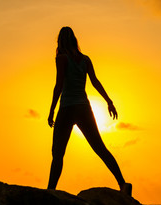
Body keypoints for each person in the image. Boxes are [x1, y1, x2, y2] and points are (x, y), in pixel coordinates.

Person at [47, 26, 132, 196]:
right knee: (100, 148)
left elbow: (59, 85)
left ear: (60, 41)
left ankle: (50, 192)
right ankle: (123, 183)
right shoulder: (85, 59)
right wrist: (109, 101)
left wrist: (51, 110)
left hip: (67, 108)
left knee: (57, 153)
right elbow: (95, 81)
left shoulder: (61, 58)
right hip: (84, 108)